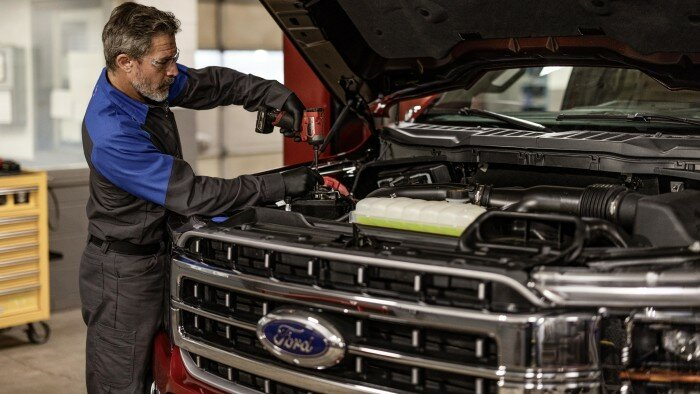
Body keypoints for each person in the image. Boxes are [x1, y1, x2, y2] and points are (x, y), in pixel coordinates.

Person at [79, 2, 320, 393]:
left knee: (169, 373)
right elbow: (191, 194)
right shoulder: (112, 133)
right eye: (164, 62)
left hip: (161, 254)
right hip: (122, 276)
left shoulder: (146, 81)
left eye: (174, 58)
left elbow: (215, 83)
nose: (173, 70)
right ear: (126, 62)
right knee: (121, 382)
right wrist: (278, 185)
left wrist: (270, 94)